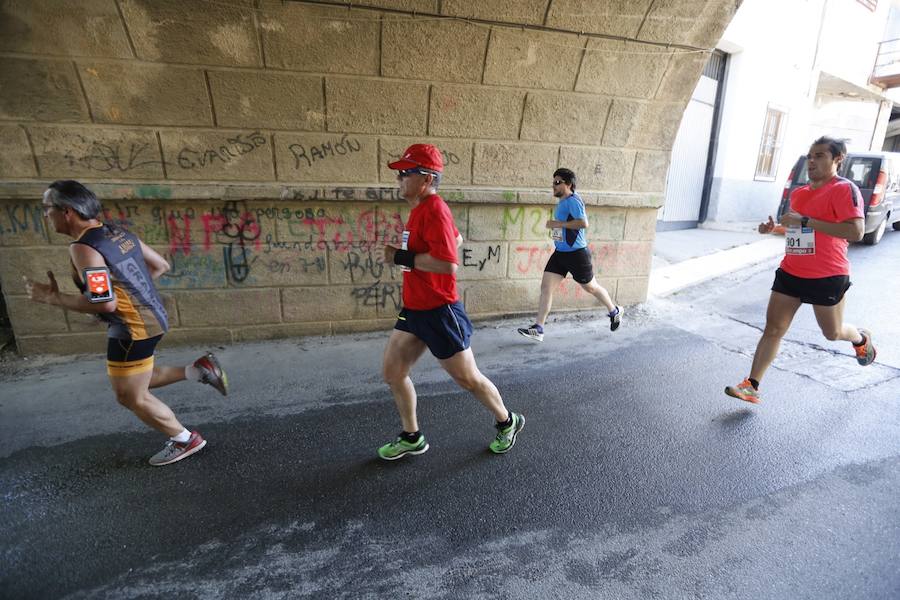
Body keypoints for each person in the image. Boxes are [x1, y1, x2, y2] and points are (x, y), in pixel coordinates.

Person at [23, 180, 229, 466]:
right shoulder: (117, 232)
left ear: (67, 211)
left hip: (132, 328)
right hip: (152, 318)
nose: (46, 215)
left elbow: (105, 302)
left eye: (47, 209)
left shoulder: (83, 248)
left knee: (129, 395)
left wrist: (54, 298)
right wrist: (129, 296)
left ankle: (184, 440)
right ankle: (198, 370)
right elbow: (160, 266)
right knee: (137, 378)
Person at [378, 144, 524, 460]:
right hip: (415, 310)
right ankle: (411, 436)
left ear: (426, 179)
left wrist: (401, 257)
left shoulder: (435, 210)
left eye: (406, 173)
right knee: (393, 372)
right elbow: (455, 239)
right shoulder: (420, 210)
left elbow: (448, 264)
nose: (399, 179)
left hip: (440, 311)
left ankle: (507, 421)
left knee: (467, 379)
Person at [725, 136, 876, 404]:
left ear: (837, 159)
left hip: (828, 275)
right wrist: (775, 229)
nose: (812, 161)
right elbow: (801, 232)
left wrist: (806, 219)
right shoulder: (800, 193)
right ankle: (751, 385)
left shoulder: (844, 189)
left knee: (833, 333)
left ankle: (861, 338)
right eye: (810, 156)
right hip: (791, 272)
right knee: (773, 329)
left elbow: (856, 231)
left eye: (819, 156)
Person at [517, 168, 621, 342]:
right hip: (560, 254)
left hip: (577, 255)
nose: (554, 186)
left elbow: (583, 223)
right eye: (553, 182)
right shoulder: (563, 201)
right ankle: (539, 328)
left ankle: (614, 311)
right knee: (546, 288)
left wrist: (558, 223)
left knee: (591, 287)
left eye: (558, 182)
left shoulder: (573, 201)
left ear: (569, 184)